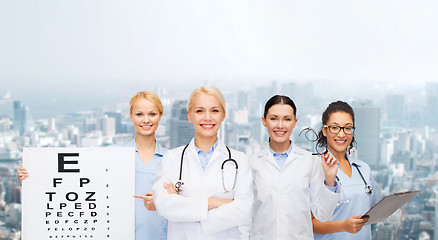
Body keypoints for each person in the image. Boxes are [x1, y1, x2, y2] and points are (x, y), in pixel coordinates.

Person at [18, 91, 168, 240]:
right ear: (131, 116)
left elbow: (184, 203)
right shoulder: (112, 154)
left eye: (152, 114)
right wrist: (33, 177)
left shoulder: (172, 159)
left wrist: (161, 204)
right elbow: (76, 184)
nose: (146, 120)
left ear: (160, 116)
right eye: (139, 114)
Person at [152, 86, 253, 240]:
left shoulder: (239, 160)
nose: (207, 117)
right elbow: (164, 205)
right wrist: (217, 203)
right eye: (200, 111)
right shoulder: (172, 158)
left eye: (214, 111)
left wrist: (183, 206)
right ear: (190, 116)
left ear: (223, 115)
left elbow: (244, 209)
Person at [249, 95, 340, 240]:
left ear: (294, 122)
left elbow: (322, 214)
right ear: (264, 121)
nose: (280, 125)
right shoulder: (251, 163)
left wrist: (330, 180)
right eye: (273, 119)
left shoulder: (310, 162)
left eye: (287, 119)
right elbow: (245, 216)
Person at [312, 100, 377, 240]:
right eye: (335, 128)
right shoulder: (313, 168)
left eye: (347, 128)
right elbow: (310, 222)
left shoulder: (364, 169)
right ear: (324, 130)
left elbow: (369, 207)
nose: (342, 134)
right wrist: (344, 226)